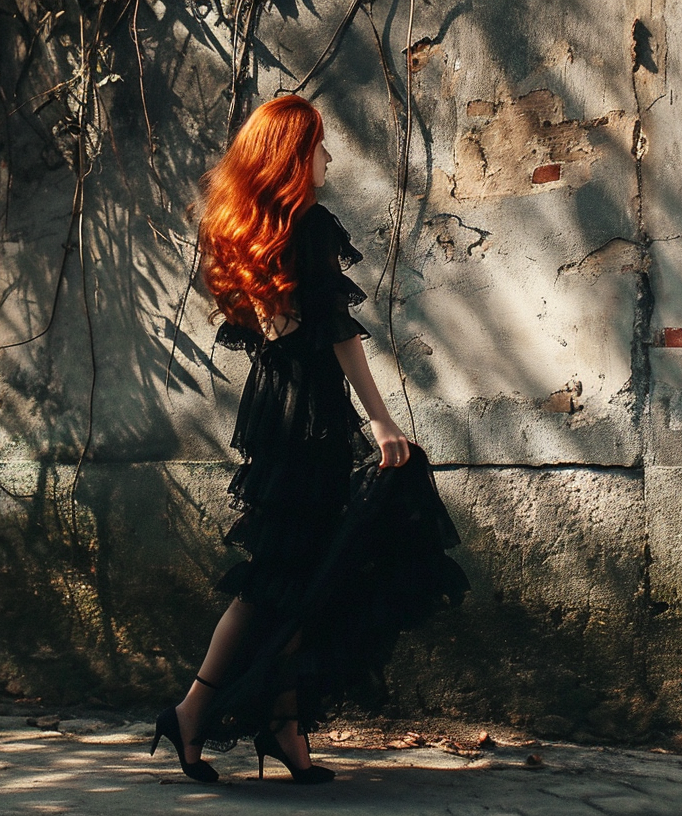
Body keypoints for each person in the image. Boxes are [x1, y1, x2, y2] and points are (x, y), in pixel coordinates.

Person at [152, 95, 468, 785]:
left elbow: (284, 332)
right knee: (285, 577)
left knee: (298, 574)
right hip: (311, 412)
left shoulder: (244, 226)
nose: (329, 157)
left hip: (275, 406)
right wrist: (381, 419)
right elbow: (338, 335)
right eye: (319, 146)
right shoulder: (310, 226)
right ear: (293, 156)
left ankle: (280, 728)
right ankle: (199, 712)